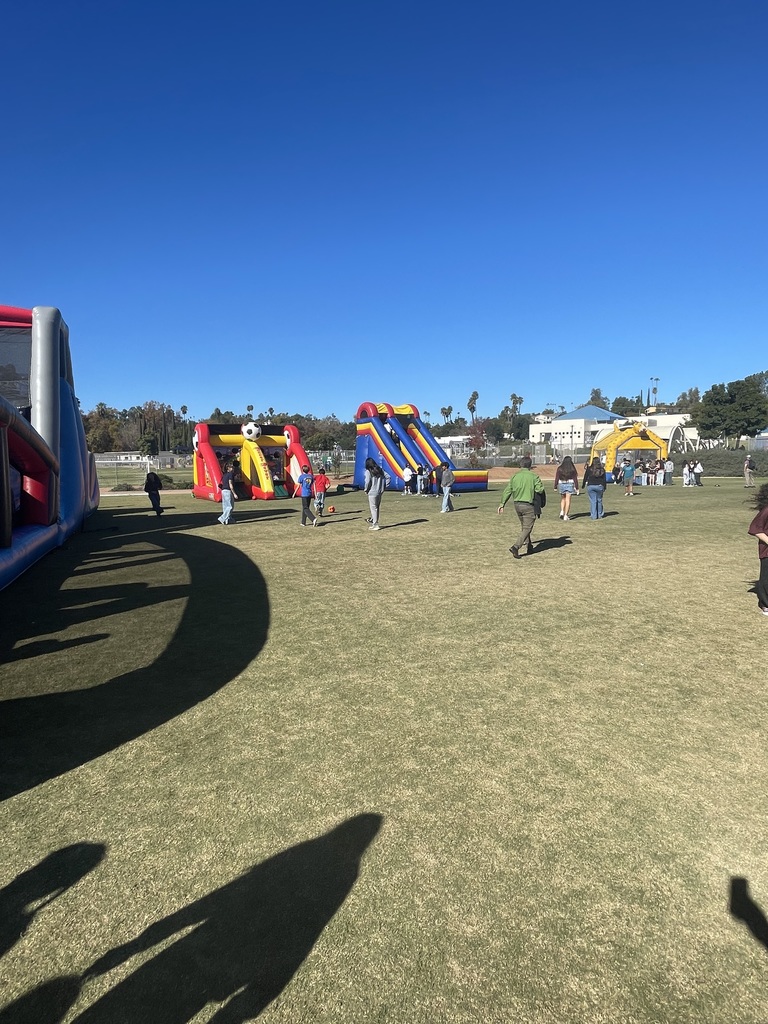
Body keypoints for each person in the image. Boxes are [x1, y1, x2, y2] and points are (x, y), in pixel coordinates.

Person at [497, 456, 545, 558]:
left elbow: (508, 490)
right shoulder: (534, 476)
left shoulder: (515, 476)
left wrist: (502, 504)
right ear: (530, 465)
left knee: (524, 527)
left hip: (517, 505)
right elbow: (540, 489)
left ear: (520, 464)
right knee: (527, 528)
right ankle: (516, 547)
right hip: (528, 505)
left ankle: (529, 546)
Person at [748, 484, 768, 615]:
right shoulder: (766, 510)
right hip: (767, 551)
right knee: (766, 579)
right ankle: (765, 604)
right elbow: (755, 529)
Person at [554, 455, 579, 519]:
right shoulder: (572, 469)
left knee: (563, 499)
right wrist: (577, 487)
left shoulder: (560, 468)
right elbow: (575, 479)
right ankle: (566, 515)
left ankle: (562, 511)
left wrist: (555, 486)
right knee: (568, 500)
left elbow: (557, 477)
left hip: (562, 484)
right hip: (570, 484)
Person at [363, 457, 386, 531]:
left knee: (373, 508)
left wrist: (366, 489)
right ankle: (374, 522)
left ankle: (375, 524)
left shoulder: (368, 471)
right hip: (379, 492)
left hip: (372, 492)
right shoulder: (380, 470)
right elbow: (388, 477)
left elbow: (367, 482)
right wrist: (384, 486)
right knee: (377, 508)